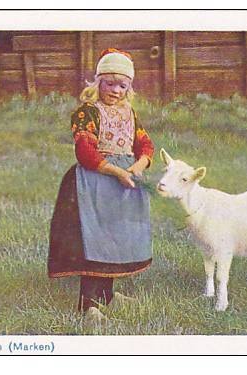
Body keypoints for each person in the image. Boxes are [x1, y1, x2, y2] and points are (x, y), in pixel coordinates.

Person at [48, 48, 154, 319]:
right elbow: (85, 150)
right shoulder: (88, 112)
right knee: (95, 238)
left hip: (123, 181)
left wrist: (139, 165)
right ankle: (89, 304)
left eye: (122, 85)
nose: (115, 91)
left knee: (115, 238)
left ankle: (108, 294)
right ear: (98, 83)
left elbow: (144, 144)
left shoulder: (129, 114)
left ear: (129, 88)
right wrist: (115, 171)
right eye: (109, 83)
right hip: (94, 181)